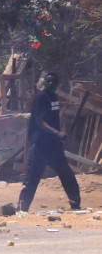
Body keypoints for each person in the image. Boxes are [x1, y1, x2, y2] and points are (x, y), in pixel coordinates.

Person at [18, 72, 81, 212]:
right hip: (40, 144)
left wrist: (58, 136)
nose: (50, 83)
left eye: (53, 81)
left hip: (53, 145)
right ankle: (21, 208)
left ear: (57, 84)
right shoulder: (41, 96)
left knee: (67, 174)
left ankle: (75, 203)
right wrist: (57, 133)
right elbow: (39, 121)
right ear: (45, 83)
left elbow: (54, 118)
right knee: (32, 177)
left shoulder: (54, 96)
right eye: (48, 81)